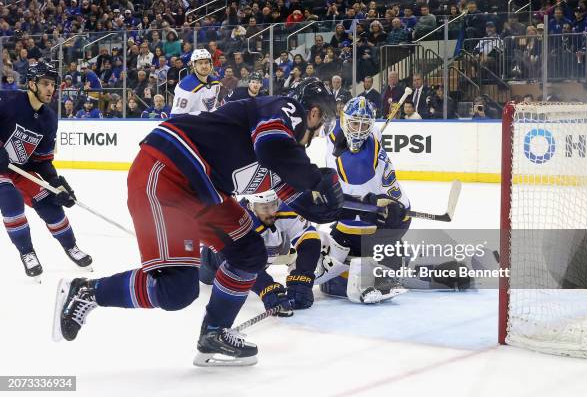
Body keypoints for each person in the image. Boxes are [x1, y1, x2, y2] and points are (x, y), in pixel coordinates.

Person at [52, 78, 351, 367]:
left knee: (249, 252)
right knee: (177, 290)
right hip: (168, 169)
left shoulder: (285, 156)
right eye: (321, 123)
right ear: (313, 113)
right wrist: (317, 178)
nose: (319, 132)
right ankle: (88, 291)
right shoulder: (286, 111)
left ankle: (214, 333)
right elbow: (274, 149)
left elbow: (299, 197)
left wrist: (335, 208)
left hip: (205, 190)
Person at [0, 62, 92, 280]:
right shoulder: (8, 101)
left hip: (21, 170)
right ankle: (27, 252)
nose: (51, 89)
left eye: (53, 84)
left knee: (50, 204)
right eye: (45, 83)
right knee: (10, 198)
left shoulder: (49, 119)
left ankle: (71, 247)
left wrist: (55, 182)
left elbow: (42, 160)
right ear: (32, 84)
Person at [320, 96, 410, 303]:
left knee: (336, 266)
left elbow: (345, 203)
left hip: (382, 220)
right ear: (345, 121)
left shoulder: (359, 161)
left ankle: (383, 269)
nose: (359, 130)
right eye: (355, 123)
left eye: (364, 125)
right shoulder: (368, 136)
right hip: (371, 218)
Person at [199, 190, 320, 316]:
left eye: (274, 205)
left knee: (281, 241)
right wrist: (267, 288)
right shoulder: (237, 219)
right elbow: (241, 262)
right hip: (215, 261)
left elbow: (308, 237)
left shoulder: (284, 209)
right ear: (251, 205)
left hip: (262, 255)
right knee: (215, 270)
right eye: (264, 208)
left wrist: (302, 277)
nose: (270, 212)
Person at [170, 49, 221, 115]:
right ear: (194, 65)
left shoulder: (215, 82)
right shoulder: (186, 85)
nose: (204, 66)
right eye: (200, 63)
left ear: (211, 64)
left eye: (206, 62)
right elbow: (176, 116)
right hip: (191, 124)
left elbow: (210, 109)